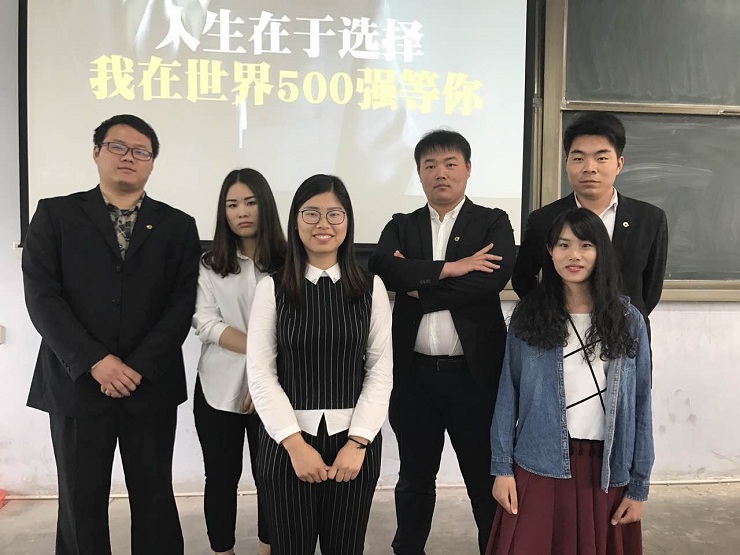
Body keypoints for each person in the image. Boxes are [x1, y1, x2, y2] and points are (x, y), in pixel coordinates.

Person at [22, 114, 201, 554]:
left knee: (154, 497)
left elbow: (181, 305)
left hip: (149, 384)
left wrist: (137, 366)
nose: (129, 157)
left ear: (152, 163)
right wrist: (95, 361)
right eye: (118, 147)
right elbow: (42, 297)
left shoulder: (178, 225)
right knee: (80, 500)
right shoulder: (55, 214)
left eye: (141, 151)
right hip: (77, 384)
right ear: (96, 152)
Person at [368, 129, 516, 554]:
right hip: (413, 376)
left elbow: (490, 281)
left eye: (451, 164)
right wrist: (452, 268)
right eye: (430, 165)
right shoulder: (402, 225)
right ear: (418, 173)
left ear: (467, 169)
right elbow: (384, 268)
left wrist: (419, 283)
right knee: (414, 479)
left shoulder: (492, 222)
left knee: (483, 479)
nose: (441, 173)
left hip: (475, 377)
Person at [488, 208, 654, 554]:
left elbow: (641, 406)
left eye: (585, 245)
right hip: (538, 462)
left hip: (606, 469)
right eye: (563, 245)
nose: (574, 255)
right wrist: (502, 468)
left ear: (601, 252)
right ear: (550, 252)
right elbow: (508, 395)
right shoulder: (528, 315)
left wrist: (639, 487)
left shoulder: (629, 320)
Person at [246, 174, 393, 554]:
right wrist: (295, 445)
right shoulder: (272, 288)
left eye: (334, 214)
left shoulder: (370, 287)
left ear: (348, 221)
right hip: (286, 446)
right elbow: (260, 374)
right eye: (311, 213)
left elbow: (380, 371)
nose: (322, 224)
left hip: (354, 448)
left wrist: (358, 442)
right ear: (295, 221)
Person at [192, 168, 286, 555]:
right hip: (216, 386)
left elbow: (296, 327)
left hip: (278, 386)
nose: (241, 212)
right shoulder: (210, 263)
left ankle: (268, 548)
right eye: (232, 205)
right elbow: (206, 323)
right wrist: (259, 355)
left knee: (272, 478)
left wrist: (262, 377)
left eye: (250, 202)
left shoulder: (289, 261)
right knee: (220, 477)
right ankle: (222, 550)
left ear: (265, 206)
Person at [512, 112, 668, 326]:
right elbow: (523, 279)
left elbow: (651, 290)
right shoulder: (544, 219)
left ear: (619, 164)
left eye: (601, 158)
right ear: (566, 163)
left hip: (626, 333)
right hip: (559, 332)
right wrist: (550, 314)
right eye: (578, 158)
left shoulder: (649, 219)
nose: (589, 168)